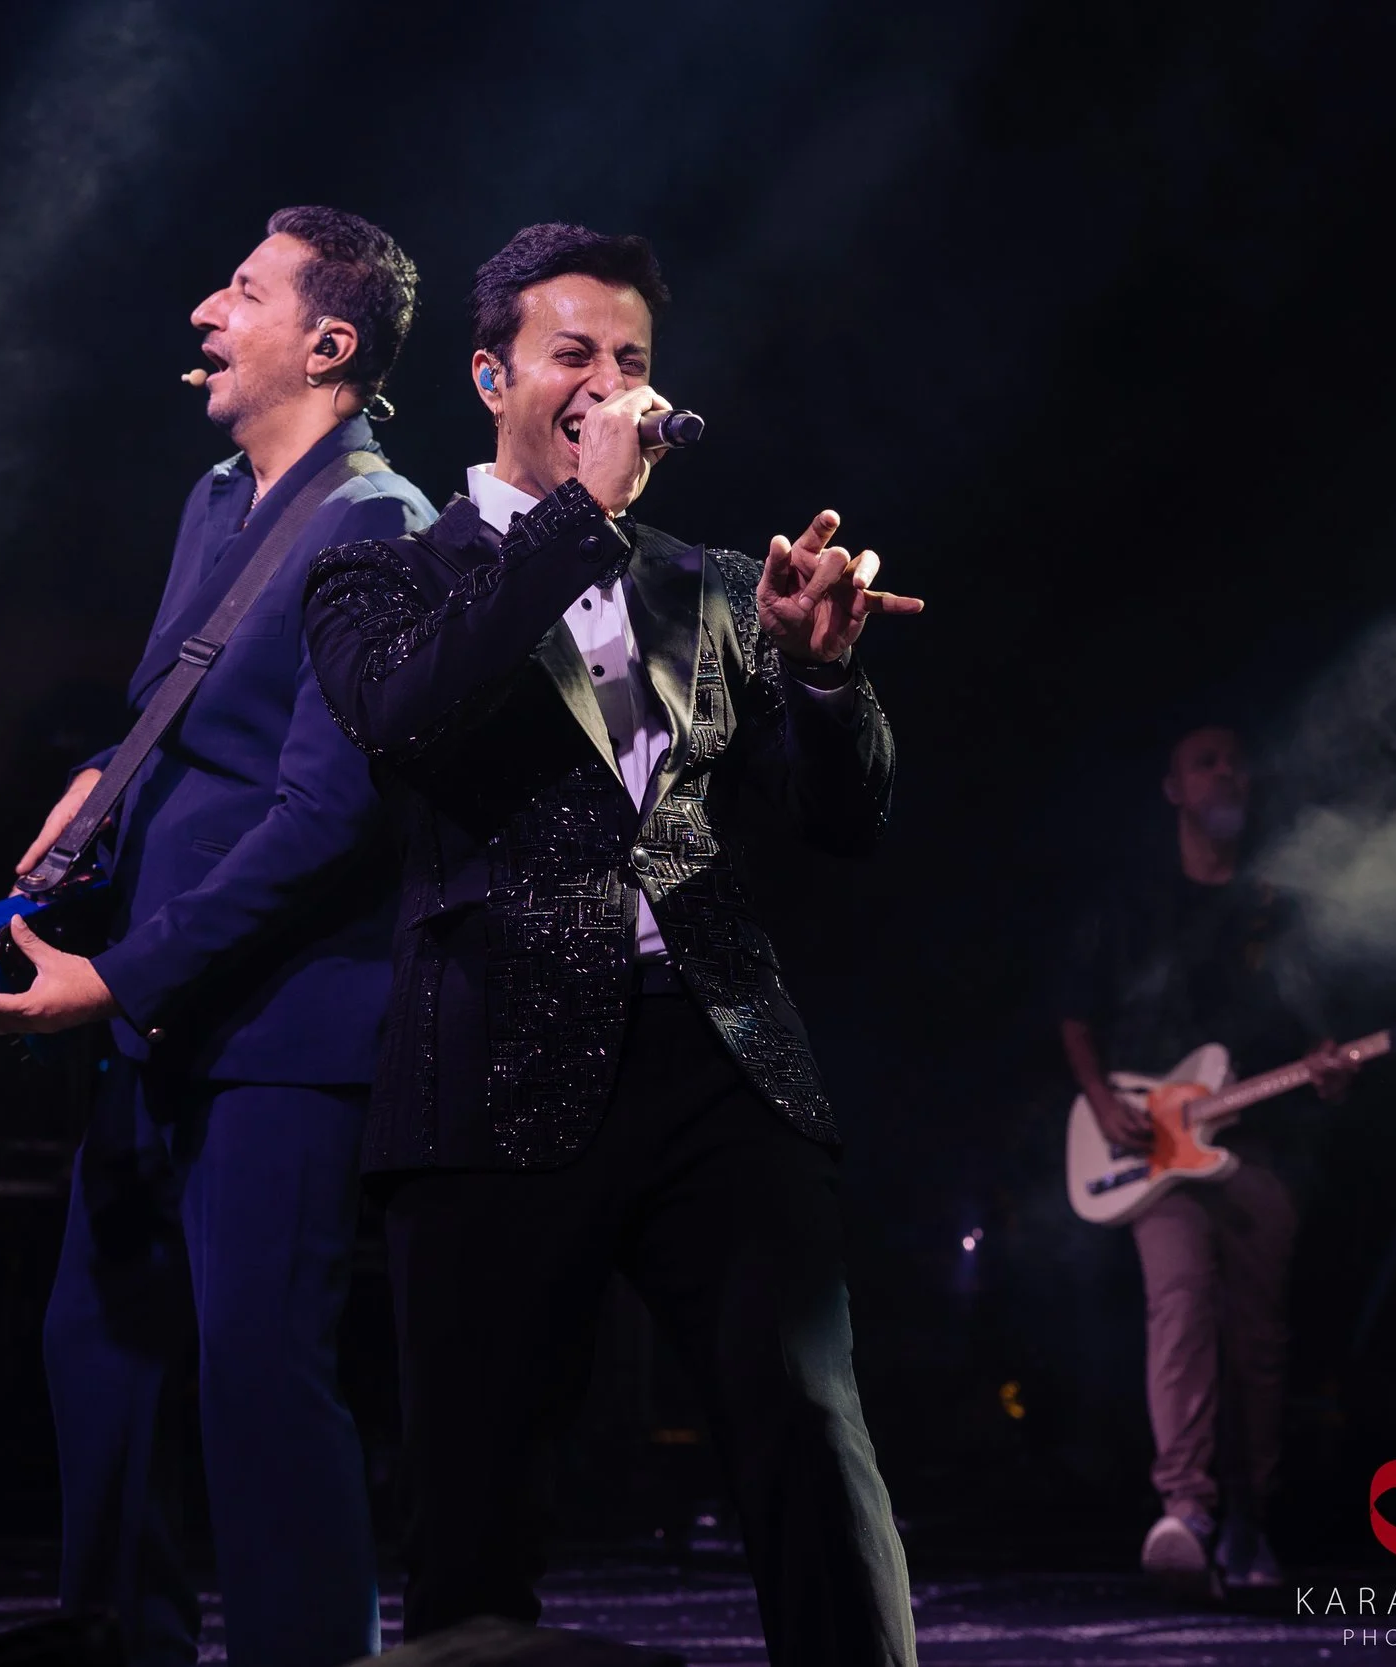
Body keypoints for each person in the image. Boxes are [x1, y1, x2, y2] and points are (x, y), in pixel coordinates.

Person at [303, 222, 921, 1666]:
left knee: (808, 1420)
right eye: (574, 353)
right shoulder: (385, 572)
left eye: (633, 360)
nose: (608, 380)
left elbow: (844, 820)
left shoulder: (707, 584)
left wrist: (827, 679)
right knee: (477, 1493)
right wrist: (578, 514)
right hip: (494, 1068)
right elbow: (409, 714)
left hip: (713, 1050)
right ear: (490, 372)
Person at [0, 209, 433, 1667]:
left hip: (280, 1025)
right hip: (160, 1008)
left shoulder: (379, 525)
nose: (206, 311)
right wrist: (105, 777)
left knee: (262, 1382)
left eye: (243, 290)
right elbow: (198, 709)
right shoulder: (221, 494)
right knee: (100, 1350)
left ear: (328, 344)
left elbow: (327, 816)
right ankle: (118, 1642)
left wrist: (117, 975)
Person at [1056, 724, 1359, 1588]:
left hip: (1261, 1144)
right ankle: (1185, 1509)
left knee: (1258, 1337)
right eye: (1207, 761)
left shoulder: (1280, 907)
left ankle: (1251, 1521)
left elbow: (1319, 1031)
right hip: (1154, 1144)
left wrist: (1333, 1068)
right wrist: (1103, 1098)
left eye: (1236, 759)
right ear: (1173, 789)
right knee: (1181, 1304)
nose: (1229, 771)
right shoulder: (1132, 904)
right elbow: (1075, 1013)